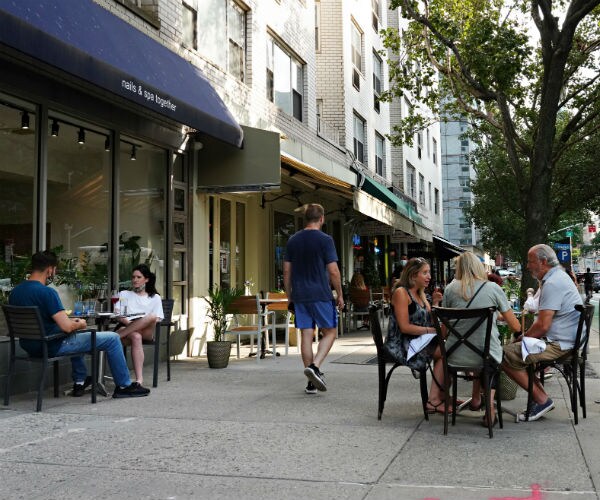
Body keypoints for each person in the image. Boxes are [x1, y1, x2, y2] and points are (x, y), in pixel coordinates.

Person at [8, 251, 149, 398]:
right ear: (50, 269)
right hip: (51, 345)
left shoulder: (15, 292)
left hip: (29, 345)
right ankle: (123, 386)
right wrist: (80, 323)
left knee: (77, 334)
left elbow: (55, 322)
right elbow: (66, 327)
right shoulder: (47, 293)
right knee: (112, 338)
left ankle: (79, 382)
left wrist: (72, 325)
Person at [502, 244, 582, 421]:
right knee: (515, 352)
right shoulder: (559, 277)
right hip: (566, 340)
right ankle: (540, 397)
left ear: (543, 262)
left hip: (559, 344)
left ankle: (541, 399)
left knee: (501, 354)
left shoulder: (553, 283)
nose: (528, 266)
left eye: (531, 262)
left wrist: (523, 338)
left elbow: (542, 325)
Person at [442, 252, 521, 426]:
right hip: (485, 355)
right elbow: (515, 326)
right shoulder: (493, 288)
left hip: (454, 355)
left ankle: (474, 399)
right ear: (479, 268)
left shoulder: (449, 289)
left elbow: (444, 328)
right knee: (490, 357)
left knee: (478, 349)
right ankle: (490, 408)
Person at [283, 203, 344, 394]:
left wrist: (289, 295)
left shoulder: (292, 240)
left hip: (300, 295)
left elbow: (286, 270)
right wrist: (340, 294)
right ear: (322, 219)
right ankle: (315, 367)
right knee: (331, 332)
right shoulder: (325, 240)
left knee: (306, 335)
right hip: (320, 294)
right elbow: (333, 271)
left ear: (305, 219)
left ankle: (311, 383)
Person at [385, 257, 448, 414]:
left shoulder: (421, 294)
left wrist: (435, 303)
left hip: (418, 341)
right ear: (413, 275)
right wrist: (431, 331)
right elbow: (404, 327)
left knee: (451, 348)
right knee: (446, 352)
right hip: (401, 344)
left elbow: (429, 321)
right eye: (425, 273)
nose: (429, 277)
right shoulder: (401, 293)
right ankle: (434, 400)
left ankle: (442, 395)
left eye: (429, 273)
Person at [115, 264, 163, 387]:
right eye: (133, 277)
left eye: (138, 277)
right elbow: (118, 314)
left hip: (146, 330)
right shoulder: (124, 294)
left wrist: (139, 324)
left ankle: (118, 335)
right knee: (136, 336)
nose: (135, 280)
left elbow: (157, 318)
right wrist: (131, 324)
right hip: (127, 326)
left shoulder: (155, 297)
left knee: (151, 317)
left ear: (146, 279)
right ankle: (139, 380)